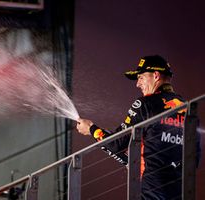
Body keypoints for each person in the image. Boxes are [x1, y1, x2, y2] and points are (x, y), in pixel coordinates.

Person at [76, 55, 201, 200]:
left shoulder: (145, 104)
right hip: (181, 192)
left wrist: (91, 128)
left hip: (150, 192)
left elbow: (117, 143)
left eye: (141, 77)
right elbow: (194, 159)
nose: (137, 84)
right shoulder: (189, 110)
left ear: (156, 75)